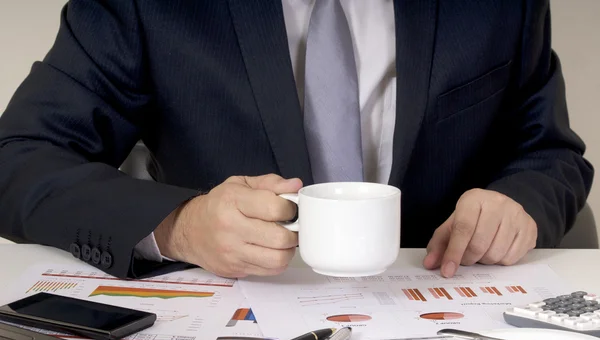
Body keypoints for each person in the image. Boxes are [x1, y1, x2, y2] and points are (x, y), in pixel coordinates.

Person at [0, 0, 593, 281]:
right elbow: (17, 157)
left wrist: (520, 203)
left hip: (445, 311)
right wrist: (181, 225)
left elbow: (548, 152)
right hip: (234, 337)